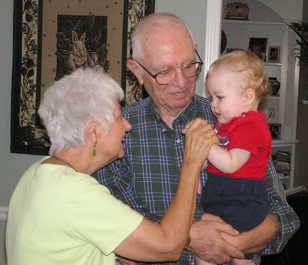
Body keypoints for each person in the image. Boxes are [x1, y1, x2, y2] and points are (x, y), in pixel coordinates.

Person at [98, 13, 300, 265]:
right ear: (136, 71)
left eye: (188, 65)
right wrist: (187, 238)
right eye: (164, 71)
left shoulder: (236, 121)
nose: (181, 81)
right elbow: (113, 227)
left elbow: (284, 217)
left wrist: (231, 244)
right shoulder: (117, 134)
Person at [6, 67, 228, 264]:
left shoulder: (37, 173)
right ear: (93, 131)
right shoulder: (77, 193)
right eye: (118, 118)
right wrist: (191, 163)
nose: (127, 126)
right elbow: (169, 247)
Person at [182, 51, 272, 265]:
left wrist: (206, 142)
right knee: (241, 258)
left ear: (248, 97)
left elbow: (231, 164)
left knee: (208, 250)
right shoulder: (226, 124)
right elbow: (209, 162)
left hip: (242, 198)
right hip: (223, 195)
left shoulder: (251, 126)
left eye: (219, 97)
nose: (213, 104)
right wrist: (196, 164)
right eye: (212, 97)